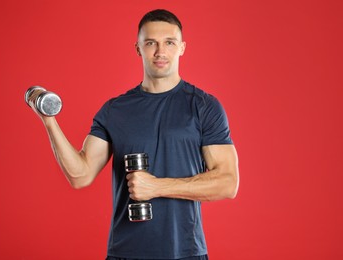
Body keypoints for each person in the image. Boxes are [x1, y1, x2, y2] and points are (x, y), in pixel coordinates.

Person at [28, 9, 239, 260]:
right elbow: (80, 175)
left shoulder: (204, 106)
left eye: (169, 43)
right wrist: (49, 120)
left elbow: (228, 183)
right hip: (125, 253)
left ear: (182, 47)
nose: (160, 52)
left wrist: (157, 187)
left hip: (186, 252)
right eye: (151, 43)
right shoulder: (115, 110)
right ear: (138, 48)